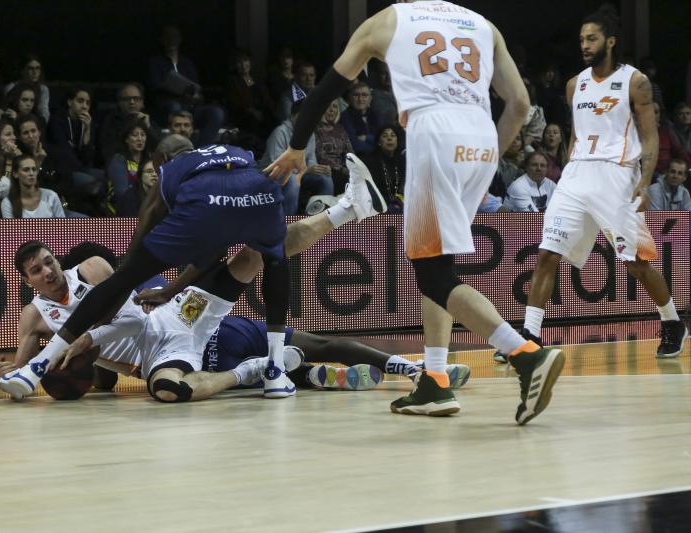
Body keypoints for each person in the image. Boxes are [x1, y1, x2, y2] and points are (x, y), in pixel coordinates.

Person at [265, 0, 565, 425]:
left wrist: (296, 147)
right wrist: (483, 161)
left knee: (432, 272)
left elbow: (324, 92)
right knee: (438, 266)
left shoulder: (387, 20)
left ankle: (525, 354)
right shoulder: (483, 24)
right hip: (481, 138)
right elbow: (519, 104)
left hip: (434, 133)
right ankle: (435, 381)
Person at [0, 134, 383, 401]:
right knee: (272, 249)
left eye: (49, 261)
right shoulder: (34, 315)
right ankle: (275, 369)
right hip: (162, 356)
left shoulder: (91, 269)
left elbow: (127, 306)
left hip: (176, 317)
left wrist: (89, 338)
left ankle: (277, 367)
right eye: (37, 270)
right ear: (26, 280)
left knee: (262, 255)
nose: (47, 271)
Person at [493, 6, 688, 364]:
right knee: (547, 253)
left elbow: (649, 136)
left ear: (610, 41)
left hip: (617, 176)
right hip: (576, 175)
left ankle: (673, 322)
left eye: (592, 38)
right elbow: (574, 135)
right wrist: (566, 169)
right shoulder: (574, 84)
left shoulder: (636, 81)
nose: (584, 44)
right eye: (582, 39)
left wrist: (645, 181)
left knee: (636, 262)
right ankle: (530, 335)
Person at [262, 101, 334, 214]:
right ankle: (289, 223)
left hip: (298, 173)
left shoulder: (309, 134)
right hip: (271, 177)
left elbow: (310, 159)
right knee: (292, 180)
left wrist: (318, 168)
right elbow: (276, 166)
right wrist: (305, 170)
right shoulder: (280, 132)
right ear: (293, 116)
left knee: (325, 178)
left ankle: (322, 217)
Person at [97, 83, 160, 164]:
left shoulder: (148, 121)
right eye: (126, 99)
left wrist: (148, 127)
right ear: (119, 103)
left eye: (136, 98)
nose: (132, 102)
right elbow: (108, 153)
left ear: (142, 102)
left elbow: (160, 149)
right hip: (120, 165)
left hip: (145, 167)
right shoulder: (110, 122)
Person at [360, 124, 405, 213]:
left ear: (397, 141)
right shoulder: (371, 160)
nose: (389, 138)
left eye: (393, 135)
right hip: (377, 205)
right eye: (385, 136)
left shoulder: (402, 160)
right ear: (379, 141)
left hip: (399, 203)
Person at [106, 116, 149, 206]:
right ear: (126, 139)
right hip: (122, 208)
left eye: (143, 135)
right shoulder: (119, 160)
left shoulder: (148, 160)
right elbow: (122, 193)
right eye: (134, 135)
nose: (139, 139)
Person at [315, 100, 354, 195]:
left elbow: (350, 151)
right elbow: (321, 156)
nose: (331, 110)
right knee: (342, 179)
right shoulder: (315, 129)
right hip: (326, 169)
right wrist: (342, 169)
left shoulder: (340, 129)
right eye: (327, 106)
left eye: (335, 106)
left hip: (343, 169)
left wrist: (353, 167)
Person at [4, 54, 50, 122]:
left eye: (37, 68)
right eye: (31, 68)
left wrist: (40, 123)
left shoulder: (43, 89)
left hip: (35, 123)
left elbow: (44, 111)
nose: (35, 72)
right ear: (22, 70)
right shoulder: (11, 87)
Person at [339, 82, 381, 155]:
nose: (360, 99)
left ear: (370, 98)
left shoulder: (376, 115)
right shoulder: (345, 116)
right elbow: (356, 145)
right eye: (356, 95)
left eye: (364, 95)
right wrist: (378, 147)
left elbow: (383, 139)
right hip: (358, 159)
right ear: (350, 98)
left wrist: (366, 138)